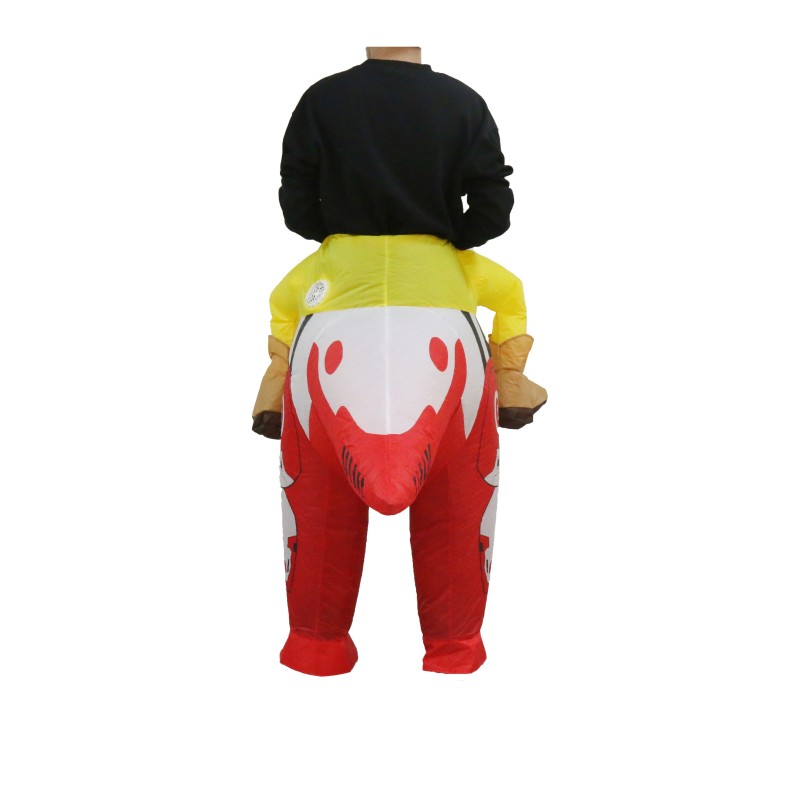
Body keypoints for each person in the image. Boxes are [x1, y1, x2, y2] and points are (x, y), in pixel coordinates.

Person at [278, 46, 514, 252]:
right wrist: (449, 244)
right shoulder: (465, 102)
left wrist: (338, 241)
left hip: (346, 272)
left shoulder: (321, 97)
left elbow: (297, 194)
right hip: (433, 274)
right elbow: (493, 205)